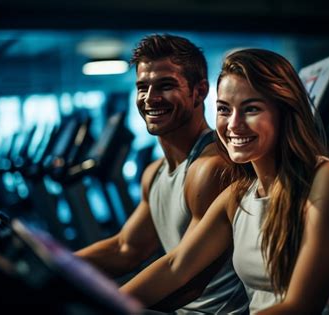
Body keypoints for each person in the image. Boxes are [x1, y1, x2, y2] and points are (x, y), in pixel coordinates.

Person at [120, 48, 329, 315]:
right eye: (224, 109)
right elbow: (175, 266)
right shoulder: (238, 196)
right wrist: (103, 301)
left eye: (250, 109)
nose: (233, 124)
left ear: (284, 112)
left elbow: (301, 306)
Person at [75, 34, 248, 314]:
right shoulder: (155, 173)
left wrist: (107, 306)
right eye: (142, 87)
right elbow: (126, 249)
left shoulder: (211, 167)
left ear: (200, 91)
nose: (150, 98)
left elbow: (186, 277)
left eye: (166, 86)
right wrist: (57, 264)